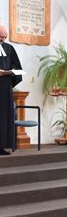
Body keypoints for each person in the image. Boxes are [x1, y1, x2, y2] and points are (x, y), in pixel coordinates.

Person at [0, 25, 22, 155]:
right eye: (0, 37)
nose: (2, 40)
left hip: (5, 89)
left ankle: (2, 146)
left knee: (3, 118)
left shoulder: (9, 48)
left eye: (4, 37)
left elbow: (17, 66)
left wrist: (9, 72)